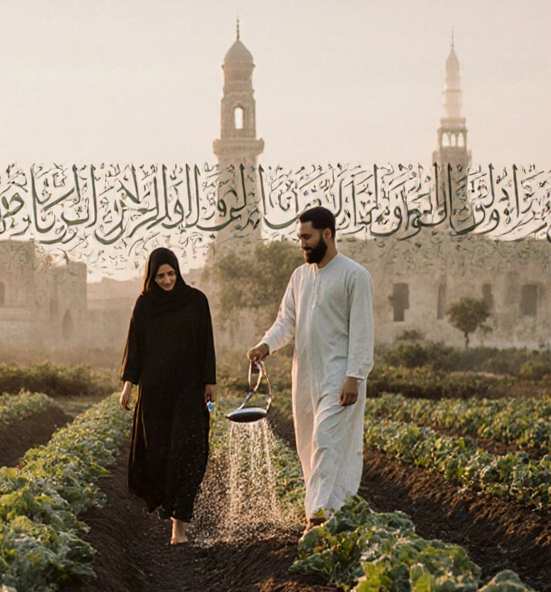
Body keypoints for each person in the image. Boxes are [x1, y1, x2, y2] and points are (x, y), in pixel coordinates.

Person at [247, 206, 374, 536]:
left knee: (326, 441)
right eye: (299, 238)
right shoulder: (300, 277)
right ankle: (332, 516)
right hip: (305, 377)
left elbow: (362, 331)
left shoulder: (355, 275)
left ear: (327, 235)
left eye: (307, 237)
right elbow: (285, 322)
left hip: (340, 378)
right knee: (308, 448)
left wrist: (354, 376)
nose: (302, 244)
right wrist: (265, 346)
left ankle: (315, 520)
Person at [120, 247, 217, 545]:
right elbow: (135, 346)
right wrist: (128, 384)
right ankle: (167, 508)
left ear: (178, 271)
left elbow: (206, 343)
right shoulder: (144, 305)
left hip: (189, 389)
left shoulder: (196, 301)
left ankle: (180, 529)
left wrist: (209, 381)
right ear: (151, 277)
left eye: (171, 273)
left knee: (188, 452)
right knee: (160, 455)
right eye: (160, 276)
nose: (166, 280)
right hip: (155, 392)